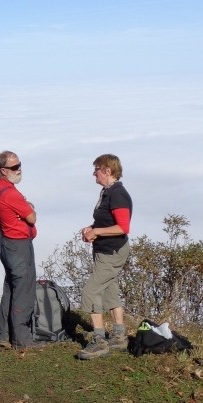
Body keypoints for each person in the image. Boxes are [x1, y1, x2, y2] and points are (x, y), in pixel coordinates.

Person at [77, 154, 133, 360]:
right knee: (110, 289)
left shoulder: (118, 194)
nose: (94, 173)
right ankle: (119, 336)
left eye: (97, 169)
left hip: (112, 251)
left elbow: (122, 227)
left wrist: (97, 232)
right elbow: (107, 221)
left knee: (90, 292)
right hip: (107, 250)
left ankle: (99, 341)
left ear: (108, 171)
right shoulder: (108, 192)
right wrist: (92, 228)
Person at [0, 151, 43, 351]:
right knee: (23, 291)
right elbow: (31, 217)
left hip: (6, 244)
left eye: (19, 165)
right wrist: (28, 208)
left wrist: (24, 208)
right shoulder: (11, 193)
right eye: (14, 167)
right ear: (3, 170)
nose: (19, 169)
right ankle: (22, 341)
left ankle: (5, 335)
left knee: (11, 289)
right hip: (18, 246)